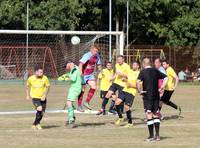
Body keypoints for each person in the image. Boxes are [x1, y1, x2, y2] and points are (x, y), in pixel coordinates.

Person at [137, 58, 168, 141]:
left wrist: (140, 91)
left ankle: (151, 136)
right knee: (155, 114)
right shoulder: (155, 70)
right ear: (150, 63)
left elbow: (138, 82)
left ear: (143, 64)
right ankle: (157, 136)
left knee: (149, 114)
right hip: (156, 96)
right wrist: (162, 87)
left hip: (148, 96)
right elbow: (166, 78)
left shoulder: (143, 72)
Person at [115, 61, 140, 127]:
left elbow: (137, 86)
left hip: (131, 92)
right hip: (125, 90)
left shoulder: (139, 74)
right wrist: (122, 77)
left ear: (138, 66)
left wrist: (127, 82)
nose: (133, 66)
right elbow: (125, 75)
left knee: (126, 107)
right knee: (117, 102)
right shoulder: (130, 71)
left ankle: (130, 123)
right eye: (133, 64)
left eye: (135, 64)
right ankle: (120, 117)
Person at [77, 44, 102, 111]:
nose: (96, 53)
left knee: (94, 86)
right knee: (82, 90)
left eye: (97, 51)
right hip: (83, 74)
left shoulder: (97, 56)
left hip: (90, 75)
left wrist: (101, 71)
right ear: (91, 50)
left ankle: (86, 102)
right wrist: (80, 74)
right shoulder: (87, 55)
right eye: (95, 51)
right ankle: (79, 106)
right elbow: (80, 64)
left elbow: (99, 65)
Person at [58, 60, 82, 128]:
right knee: (69, 104)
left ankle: (71, 119)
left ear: (69, 64)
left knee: (69, 103)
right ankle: (72, 117)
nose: (65, 68)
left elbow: (73, 79)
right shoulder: (74, 68)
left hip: (75, 88)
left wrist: (64, 79)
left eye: (65, 66)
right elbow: (71, 75)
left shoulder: (74, 69)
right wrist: (65, 75)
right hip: (74, 88)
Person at [26, 66, 50, 130]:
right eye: (40, 72)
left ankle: (35, 124)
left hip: (43, 97)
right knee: (39, 109)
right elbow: (27, 87)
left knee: (42, 112)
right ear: (36, 72)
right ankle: (38, 124)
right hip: (35, 97)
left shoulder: (45, 78)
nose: (41, 73)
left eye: (42, 72)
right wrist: (27, 95)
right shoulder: (30, 78)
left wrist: (44, 95)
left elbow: (48, 87)